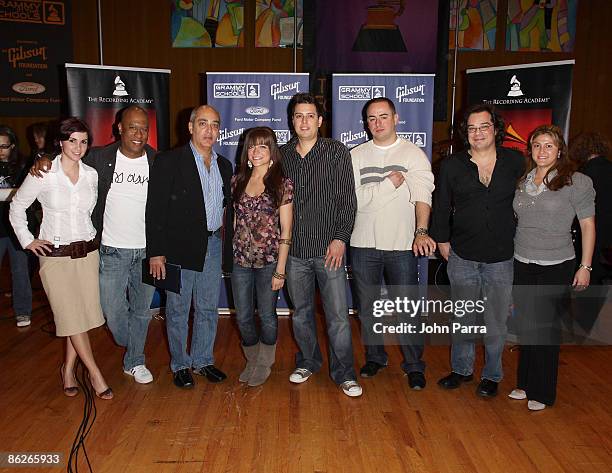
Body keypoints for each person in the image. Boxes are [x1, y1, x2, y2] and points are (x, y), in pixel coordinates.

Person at [31, 106, 157, 384]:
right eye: (132, 127)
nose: (139, 134)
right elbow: (70, 156)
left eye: (143, 128)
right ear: (119, 128)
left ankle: (135, 360)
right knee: (111, 312)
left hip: (147, 251)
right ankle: (131, 341)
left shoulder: (157, 161)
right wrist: (45, 158)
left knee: (141, 310)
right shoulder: (101, 158)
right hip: (111, 250)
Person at [10, 117, 113, 399]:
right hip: (55, 257)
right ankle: (95, 374)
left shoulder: (91, 175)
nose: (78, 147)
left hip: (86, 254)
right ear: (60, 142)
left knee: (78, 317)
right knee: (70, 314)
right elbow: (17, 208)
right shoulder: (43, 173)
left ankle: (67, 369)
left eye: (83, 141)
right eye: (72, 141)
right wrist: (28, 240)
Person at [430, 104, 525, 398]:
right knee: (463, 317)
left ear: (495, 129)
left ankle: (492, 375)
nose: (478, 133)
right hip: (463, 254)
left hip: (501, 255)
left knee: (496, 320)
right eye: (471, 128)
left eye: (484, 126)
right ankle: (461, 370)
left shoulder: (515, 161)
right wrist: (442, 241)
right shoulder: (452, 165)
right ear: (465, 133)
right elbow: (443, 204)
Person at [349, 98, 435, 389]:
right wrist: (388, 186)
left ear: (396, 118)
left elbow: (423, 194)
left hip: (402, 246)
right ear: (366, 123)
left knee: (407, 308)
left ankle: (414, 365)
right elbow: (356, 202)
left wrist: (421, 231)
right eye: (372, 118)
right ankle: (375, 357)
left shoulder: (413, 154)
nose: (378, 123)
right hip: (363, 244)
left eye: (383, 116)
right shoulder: (356, 155)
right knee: (367, 308)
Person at [281, 92, 362, 397]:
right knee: (301, 312)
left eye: (310, 116)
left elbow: (347, 202)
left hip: (330, 251)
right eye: (299, 115)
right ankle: (308, 361)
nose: (304, 121)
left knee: (338, 316)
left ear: (320, 121)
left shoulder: (336, 151)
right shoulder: (283, 154)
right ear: (292, 120)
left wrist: (341, 238)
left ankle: (344, 373)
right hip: (294, 252)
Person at [146, 105, 233, 389]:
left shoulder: (224, 165)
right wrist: (157, 252)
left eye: (215, 124)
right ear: (190, 127)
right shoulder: (169, 161)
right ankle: (180, 364)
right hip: (177, 249)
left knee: (208, 308)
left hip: (212, 245)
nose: (210, 130)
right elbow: (155, 210)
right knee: (178, 309)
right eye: (203, 124)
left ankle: (203, 360)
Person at [510, 125, 595, 411]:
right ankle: (525, 382)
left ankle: (542, 392)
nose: (542, 151)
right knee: (527, 326)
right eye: (537, 145)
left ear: (560, 150)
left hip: (556, 264)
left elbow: (587, 225)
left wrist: (585, 265)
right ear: (530, 149)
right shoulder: (523, 180)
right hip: (522, 262)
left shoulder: (576, 182)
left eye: (549, 146)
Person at [231, 127, 293, 387]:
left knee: (267, 315)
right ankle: (253, 358)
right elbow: (235, 221)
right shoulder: (237, 181)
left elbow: (287, 229)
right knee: (243, 316)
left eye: (262, 147)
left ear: (272, 152)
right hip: (240, 262)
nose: (256, 151)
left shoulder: (282, 183)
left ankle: (265, 361)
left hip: (269, 262)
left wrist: (280, 269)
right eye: (252, 146)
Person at [569, 132, 612, 333]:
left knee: (586, 275)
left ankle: (583, 325)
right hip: (608, 235)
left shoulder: (582, 175)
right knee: (600, 276)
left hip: (590, 231)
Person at [0, 125, 33, 327]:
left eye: (4, 146)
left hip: (15, 228)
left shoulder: (22, 164)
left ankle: (23, 311)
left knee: (20, 271)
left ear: (12, 146)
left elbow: (27, 195)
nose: (0, 150)